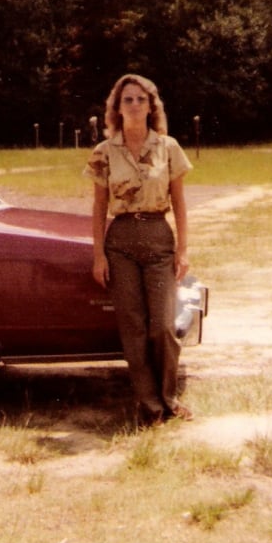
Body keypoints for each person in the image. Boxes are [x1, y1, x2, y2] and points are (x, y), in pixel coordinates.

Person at [84, 73, 194, 427]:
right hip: (121, 243)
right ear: (117, 107)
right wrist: (99, 254)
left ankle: (169, 397)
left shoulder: (168, 147)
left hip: (159, 237)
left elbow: (179, 202)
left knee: (161, 325)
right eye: (127, 99)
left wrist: (183, 250)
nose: (134, 105)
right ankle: (150, 406)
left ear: (151, 106)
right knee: (132, 325)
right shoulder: (104, 152)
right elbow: (100, 207)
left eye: (140, 99)